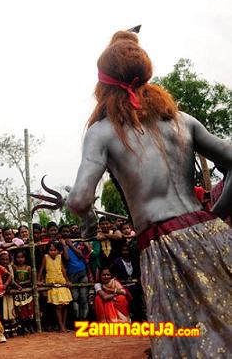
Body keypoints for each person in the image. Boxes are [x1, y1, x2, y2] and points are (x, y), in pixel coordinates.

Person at [66, 29, 232, 356]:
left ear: (104, 84)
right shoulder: (182, 121)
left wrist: (83, 217)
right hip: (213, 236)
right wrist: (216, 216)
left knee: (184, 341)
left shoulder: (101, 132)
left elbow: (81, 199)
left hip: (165, 245)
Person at [37, 242, 72, 332]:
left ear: (58, 251)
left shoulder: (59, 257)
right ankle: (61, 326)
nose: (52, 252)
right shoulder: (46, 257)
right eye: (50, 250)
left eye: (54, 250)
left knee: (65, 304)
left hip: (61, 281)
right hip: (51, 283)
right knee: (58, 306)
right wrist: (39, 280)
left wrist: (67, 280)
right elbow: (41, 269)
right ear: (48, 251)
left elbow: (63, 270)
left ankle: (64, 325)